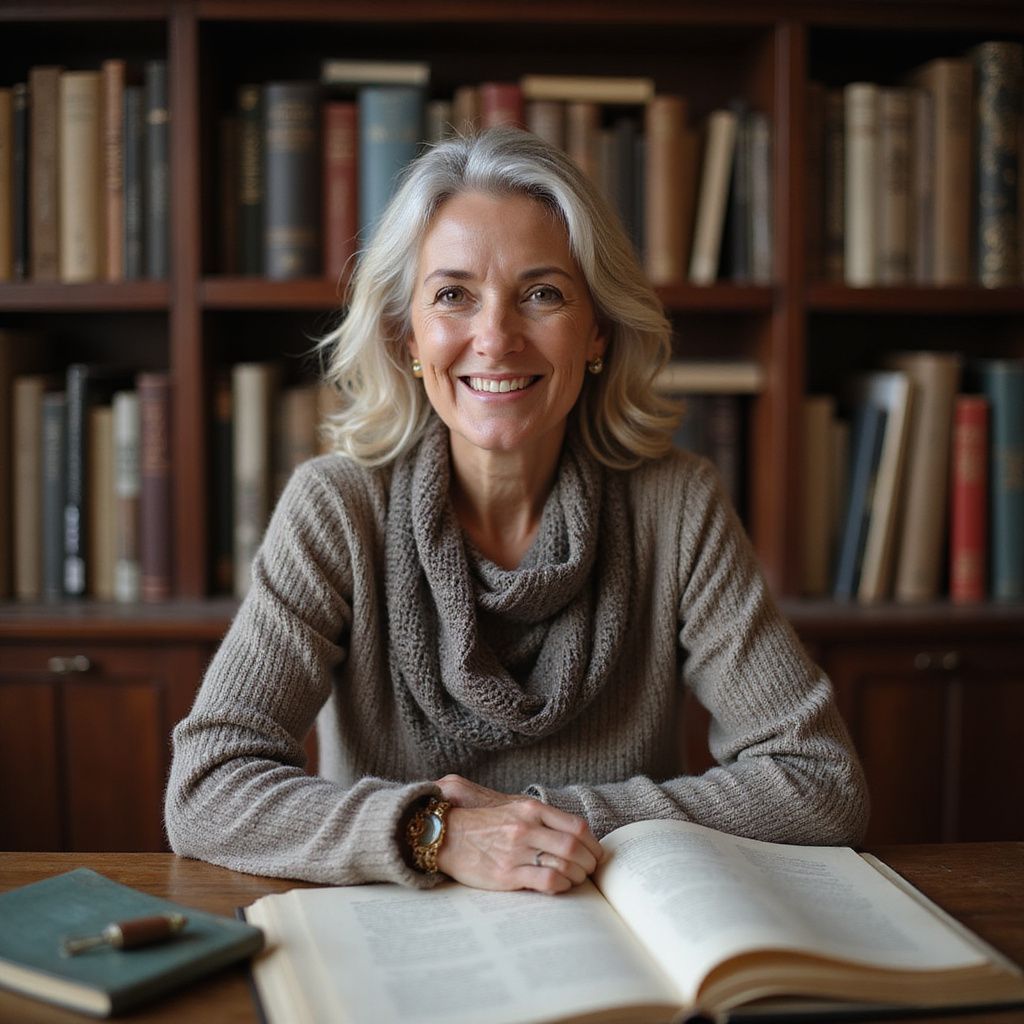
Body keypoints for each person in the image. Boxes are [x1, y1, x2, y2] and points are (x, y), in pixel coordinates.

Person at [165, 127, 868, 895]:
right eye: (453, 296)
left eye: (542, 294)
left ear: (597, 330)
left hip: (609, 924)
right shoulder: (337, 508)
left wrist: (543, 824)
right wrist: (437, 832)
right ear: (407, 336)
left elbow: (821, 783)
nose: (495, 339)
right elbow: (207, 789)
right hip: (394, 934)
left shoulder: (675, 506)